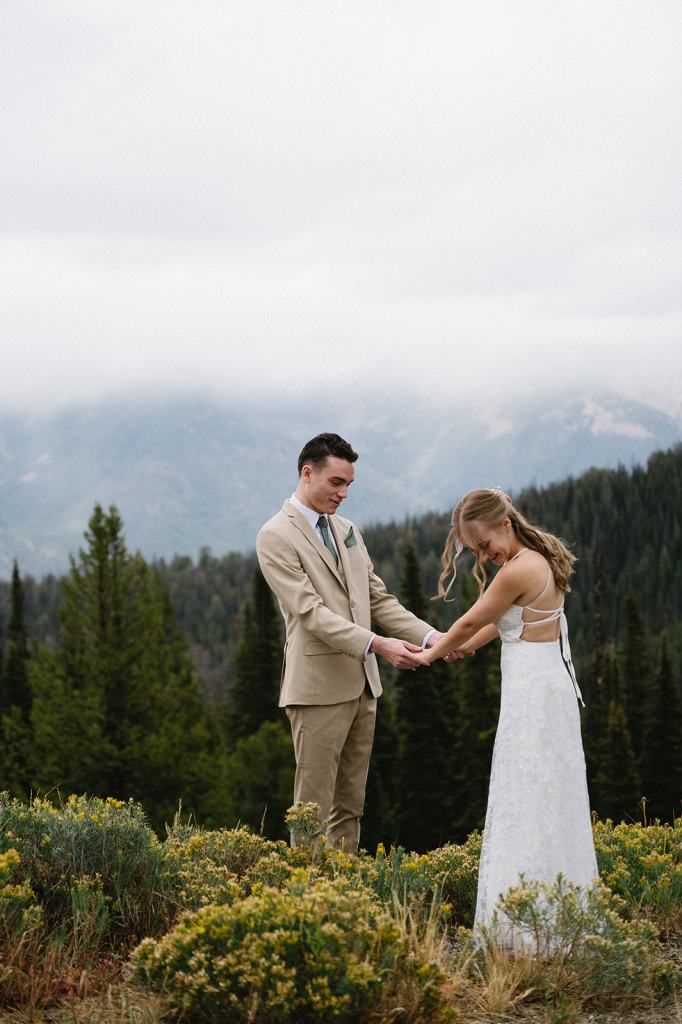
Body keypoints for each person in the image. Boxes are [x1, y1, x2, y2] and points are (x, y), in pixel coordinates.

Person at [416, 488, 598, 951]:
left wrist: (431, 655)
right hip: (540, 685)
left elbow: (469, 619)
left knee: (527, 790)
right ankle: (555, 913)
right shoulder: (537, 559)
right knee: (539, 791)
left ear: (504, 524)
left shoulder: (518, 569)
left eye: (483, 545)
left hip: (534, 692)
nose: (485, 556)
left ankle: (527, 928)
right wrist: (465, 649)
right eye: (476, 551)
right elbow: (503, 624)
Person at [256, 432, 444, 853]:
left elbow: (377, 598)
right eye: (336, 483)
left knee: (350, 807)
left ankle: (345, 897)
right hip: (317, 691)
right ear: (307, 473)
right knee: (311, 811)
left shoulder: (347, 530)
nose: (343, 494)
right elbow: (312, 615)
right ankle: (306, 900)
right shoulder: (274, 536)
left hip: (364, 688)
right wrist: (379, 645)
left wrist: (436, 637)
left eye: (348, 485)